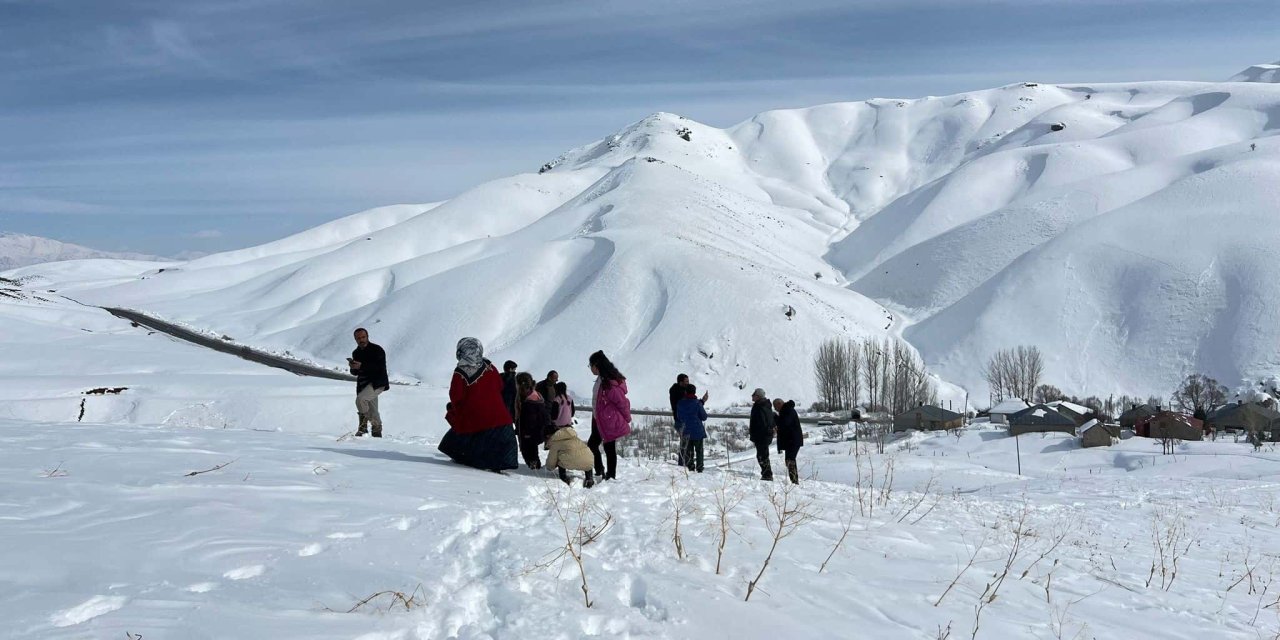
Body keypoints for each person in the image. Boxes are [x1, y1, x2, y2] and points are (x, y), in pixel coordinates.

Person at [439, 338, 519, 471]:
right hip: (501, 418)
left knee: (460, 441)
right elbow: (499, 385)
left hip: (475, 419)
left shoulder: (460, 371)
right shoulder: (490, 366)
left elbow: (456, 395)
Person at [588, 350, 631, 481]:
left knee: (608, 448)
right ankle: (601, 470)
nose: (590, 369)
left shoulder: (609, 383)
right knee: (595, 445)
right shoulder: (601, 379)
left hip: (607, 419)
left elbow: (621, 402)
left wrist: (627, 417)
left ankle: (610, 476)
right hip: (598, 418)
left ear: (597, 365)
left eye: (591, 365)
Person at [348, 328, 389, 437]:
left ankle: (364, 426)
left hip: (377, 383)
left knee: (361, 400)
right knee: (373, 411)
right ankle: (377, 434)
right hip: (363, 384)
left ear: (367, 336)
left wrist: (361, 366)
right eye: (358, 338)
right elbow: (355, 372)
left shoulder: (377, 350)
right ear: (355, 339)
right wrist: (353, 367)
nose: (361, 340)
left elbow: (379, 368)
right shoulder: (356, 352)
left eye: (363, 337)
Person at [515, 372, 551, 470]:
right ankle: (535, 466)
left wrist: (526, 432)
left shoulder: (528, 401)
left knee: (528, 450)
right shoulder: (535, 394)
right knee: (532, 449)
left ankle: (533, 468)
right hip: (535, 429)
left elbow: (529, 418)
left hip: (529, 430)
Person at [546, 423, 595, 488]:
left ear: (548, 435)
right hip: (589, 460)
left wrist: (550, 467)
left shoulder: (555, 442)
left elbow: (552, 459)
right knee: (585, 459)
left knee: (560, 459)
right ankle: (589, 478)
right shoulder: (572, 436)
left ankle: (564, 478)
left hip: (571, 461)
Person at [676, 384, 708, 473]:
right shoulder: (697, 403)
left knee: (689, 452)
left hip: (686, 431)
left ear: (686, 392)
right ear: (695, 392)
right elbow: (704, 417)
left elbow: (679, 417)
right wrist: (702, 402)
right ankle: (700, 468)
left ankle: (690, 468)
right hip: (698, 431)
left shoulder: (680, 403)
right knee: (699, 451)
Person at [773, 398, 803, 484]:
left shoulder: (788, 410)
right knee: (789, 460)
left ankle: (794, 481)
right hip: (791, 440)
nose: (775, 409)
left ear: (779, 404)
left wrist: (775, 418)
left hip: (793, 440)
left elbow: (785, 423)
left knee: (790, 460)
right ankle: (793, 480)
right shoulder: (786, 410)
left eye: (775, 406)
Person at [749, 388, 776, 481]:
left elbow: (762, 423)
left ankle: (767, 475)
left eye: (754, 394)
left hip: (762, 436)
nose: (752, 396)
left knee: (762, 456)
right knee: (763, 455)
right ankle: (767, 474)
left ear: (758, 396)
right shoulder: (764, 405)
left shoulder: (760, 406)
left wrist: (757, 434)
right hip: (764, 435)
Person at [501, 360, 520, 429]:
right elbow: (514, 395)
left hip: (501, 408)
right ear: (510, 369)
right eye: (514, 369)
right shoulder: (512, 380)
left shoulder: (500, 377)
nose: (515, 371)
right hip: (511, 408)